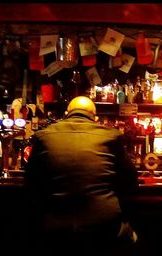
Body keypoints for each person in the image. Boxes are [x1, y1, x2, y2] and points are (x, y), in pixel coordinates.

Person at [25, 96, 139, 256]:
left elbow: (31, 182)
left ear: (66, 113)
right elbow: (131, 180)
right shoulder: (111, 136)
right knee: (135, 240)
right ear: (95, 118)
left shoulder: (43, 136)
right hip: (104, 227)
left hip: (56, 227)